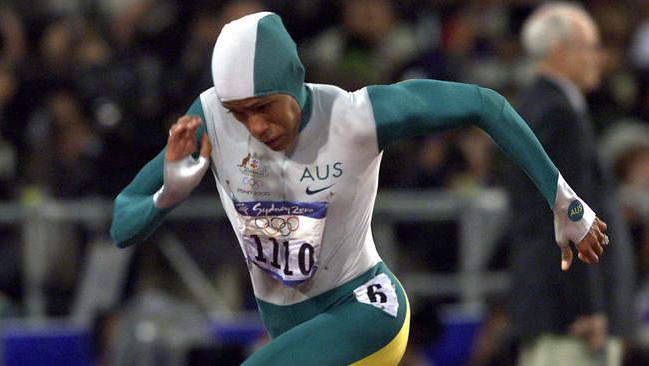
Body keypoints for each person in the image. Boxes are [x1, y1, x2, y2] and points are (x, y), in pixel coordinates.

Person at [110, 12, 609, 365]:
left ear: (295, 80)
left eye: (264, 107)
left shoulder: (357, 115)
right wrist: (167, 198)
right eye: (241, 115)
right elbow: (122, 221)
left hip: (366, 310)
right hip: (292, 325)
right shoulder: (212, 117)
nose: (255, 127)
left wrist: (563, 200)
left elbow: (484, 104)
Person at [502, 3, 635, 366]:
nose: (599, 57)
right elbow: (570, 216)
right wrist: (589, 309)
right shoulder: (559, 115)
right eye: (590, 46)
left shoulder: (529, 106)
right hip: (571, 319)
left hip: (549, 309)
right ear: (560, 51)